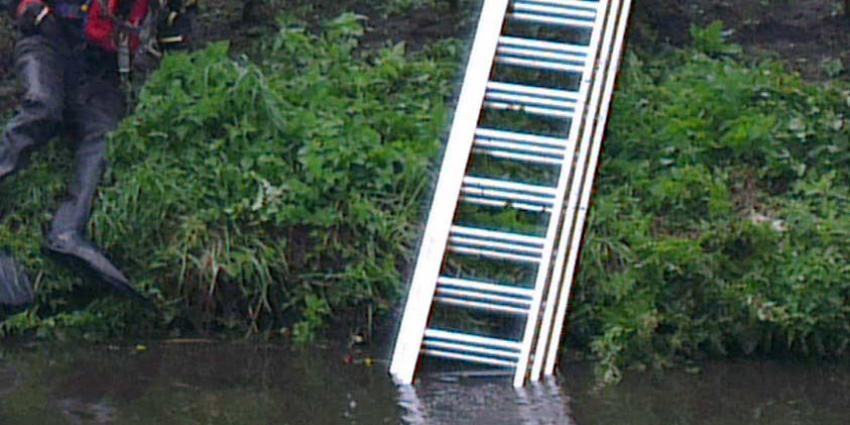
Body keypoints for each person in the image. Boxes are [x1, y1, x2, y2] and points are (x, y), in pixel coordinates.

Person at [0, 0, 196, 307]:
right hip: (47, 42)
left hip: (98, 67)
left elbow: (174, 29)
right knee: (43, 107)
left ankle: (66, 231)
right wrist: (30, 11)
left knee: (105, 134)